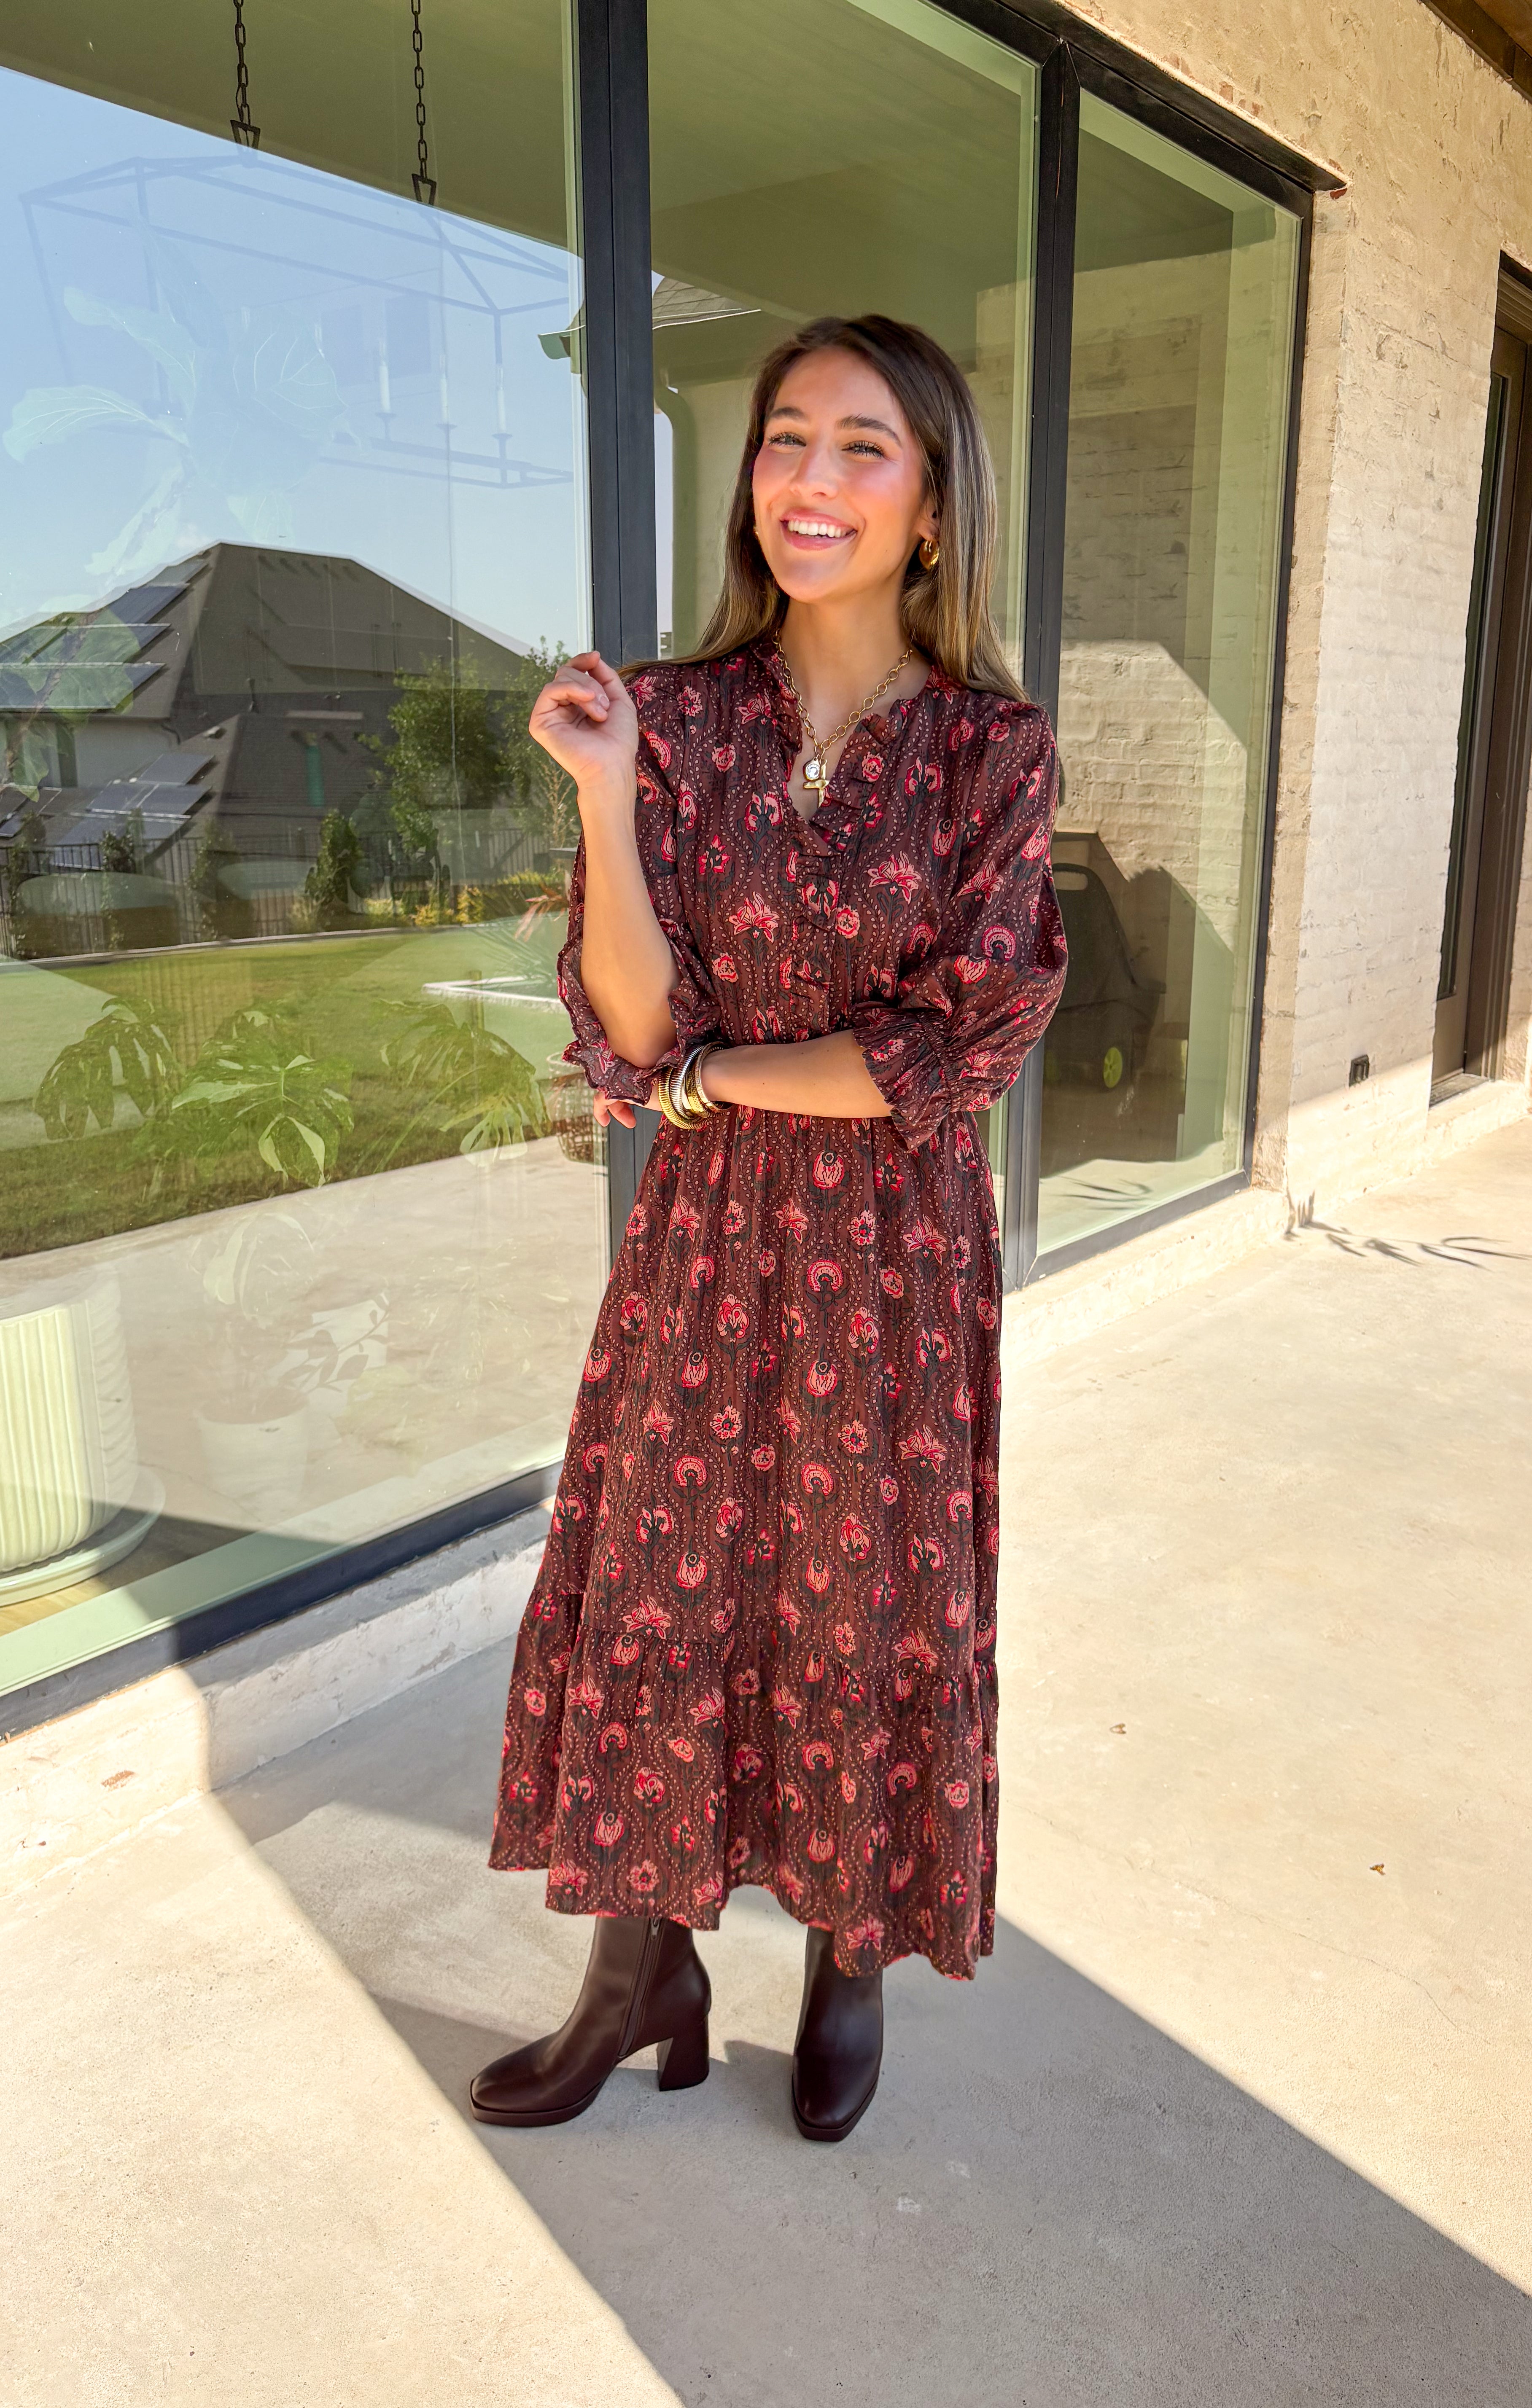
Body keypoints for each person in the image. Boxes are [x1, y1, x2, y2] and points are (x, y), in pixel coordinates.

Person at [472, 313, 1067, 2143]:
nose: (810, 481)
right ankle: (640, 1964)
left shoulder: (990, 750)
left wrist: (714, 1086)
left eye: (862, 447)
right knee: (663, 1588)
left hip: (890, 1261)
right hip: (706, 1255)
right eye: (786, 441)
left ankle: (850, 1952)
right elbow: (629, 1031)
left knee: (866, 1603)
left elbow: (951, 1049)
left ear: (934, 505)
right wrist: (603, 803)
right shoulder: (673, 720)